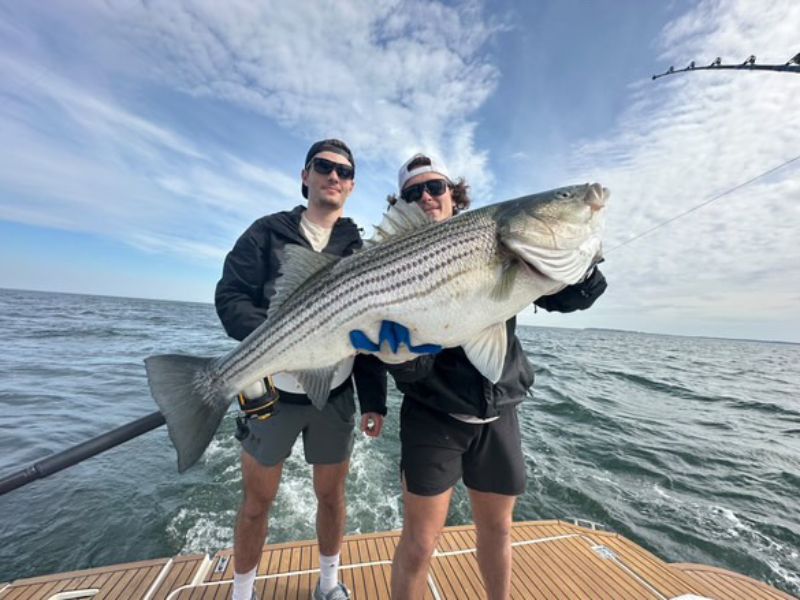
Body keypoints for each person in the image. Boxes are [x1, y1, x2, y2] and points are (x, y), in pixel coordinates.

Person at [384, 153, 607, 600]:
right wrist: (400, 359)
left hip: (499, 411)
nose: (426, 197)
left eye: (436, 187)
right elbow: (409, 369)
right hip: (433, 415)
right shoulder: (392, 260)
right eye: (413, 193)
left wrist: (584, 272)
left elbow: (567, 299)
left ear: (453, 194)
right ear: (402, 203)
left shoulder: (496, 240)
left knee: (499, 530)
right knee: (421, 541)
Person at [215, 139, 387, 600]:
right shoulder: (265, 233)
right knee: (256, 503)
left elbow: (368, 330)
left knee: (331, 496)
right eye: (324, 167)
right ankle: (242, 593)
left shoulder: (361, 250)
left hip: (334, 394)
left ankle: (329, 586)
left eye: (344, 172)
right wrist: (284, 338)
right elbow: (229, 298)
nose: (334, 176)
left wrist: (374, 400)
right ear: (305, 176)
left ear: (351, 187)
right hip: (273, 392)